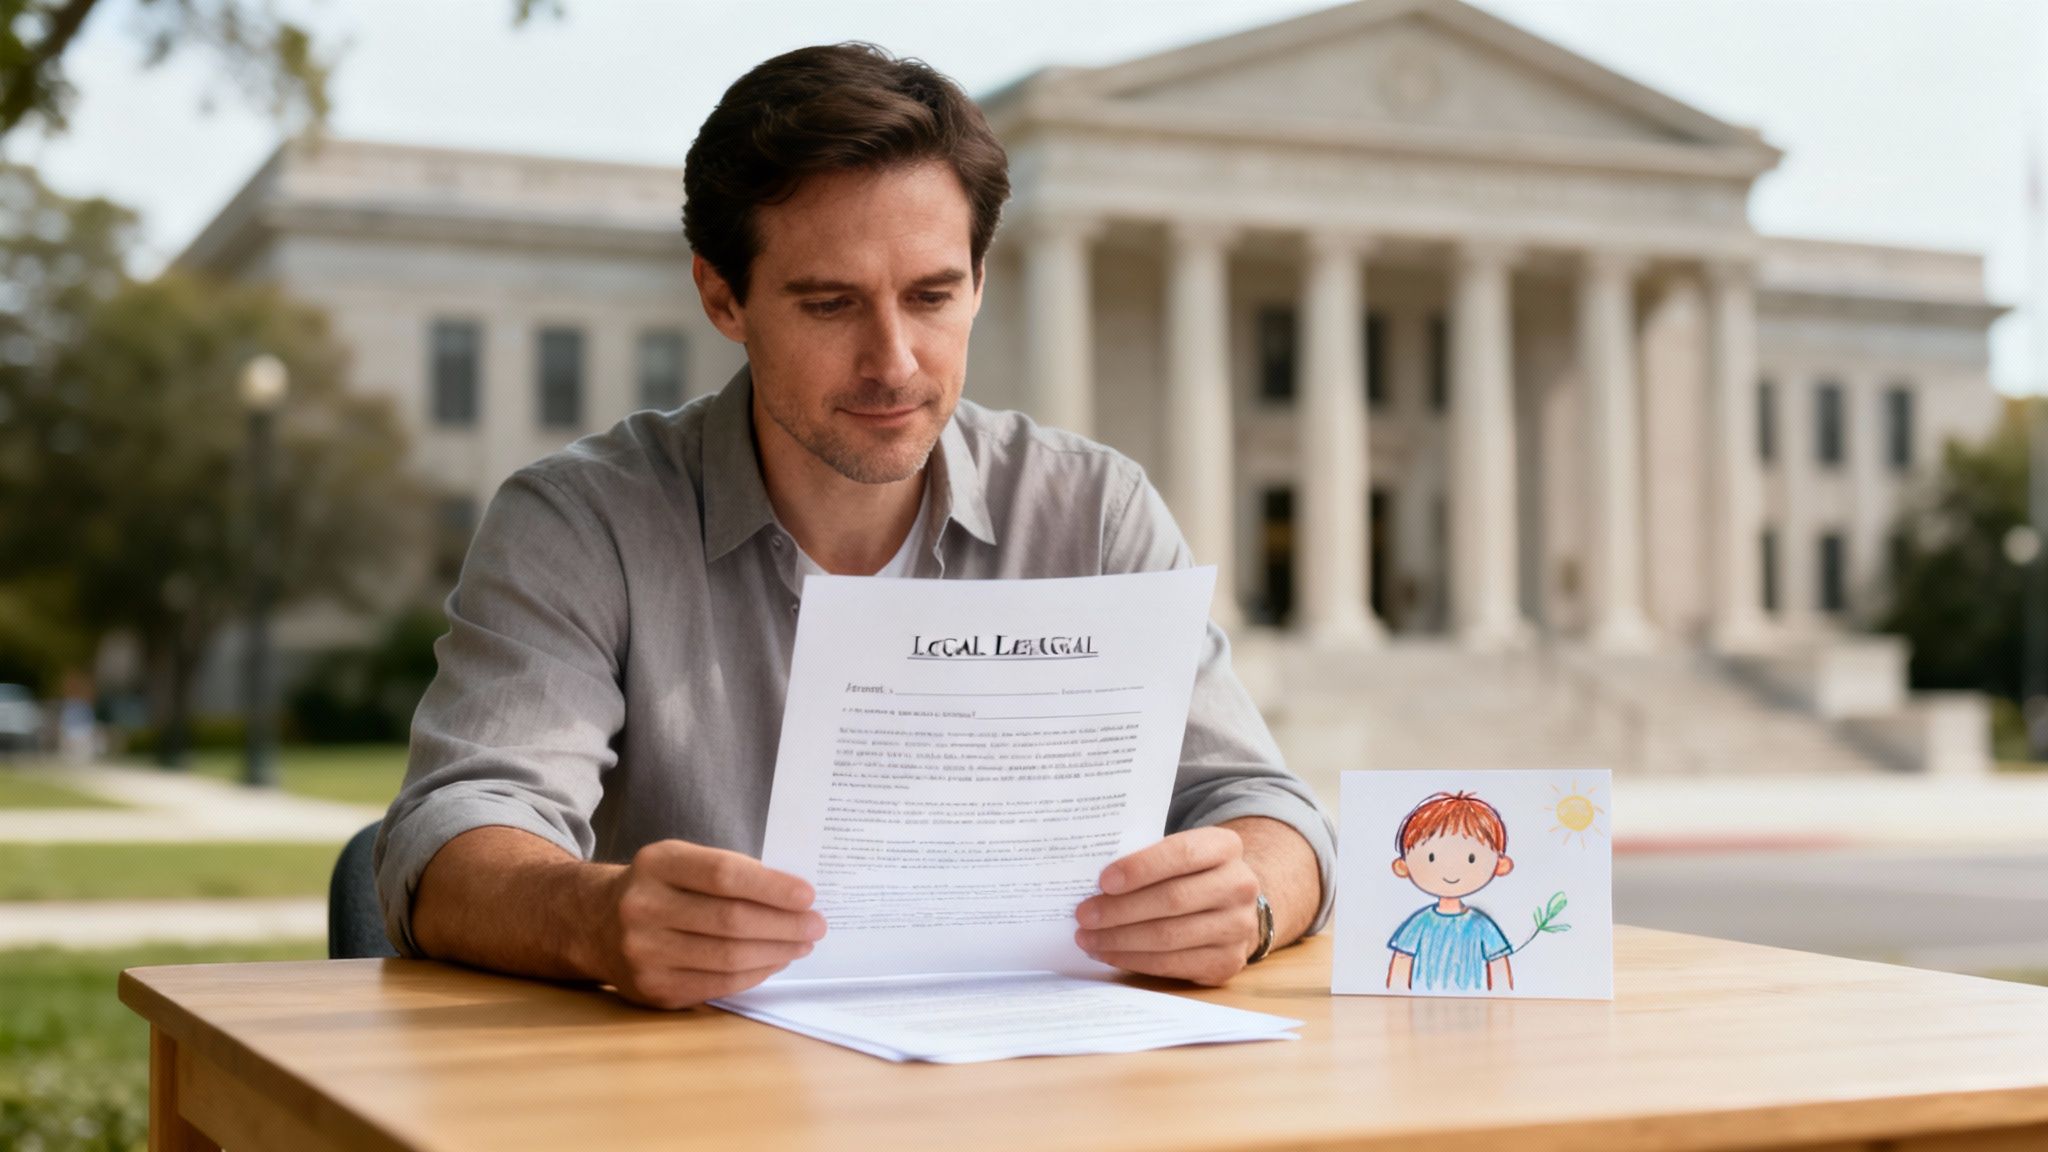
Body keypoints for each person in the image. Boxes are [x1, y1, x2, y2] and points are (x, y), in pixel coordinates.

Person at [374, 42, 1334, 1011]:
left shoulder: (1091, 510)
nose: (894, 362)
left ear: (979, 282)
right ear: (721, 297)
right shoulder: (580, 524)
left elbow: (1272, 811)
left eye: (930, 297)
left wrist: (1243, 899)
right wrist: (591, 917)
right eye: (830, 304)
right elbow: (453, 831)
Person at [1385, 791, 1515, 992]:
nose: (1451, 870)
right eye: (1432, 857)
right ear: (1403, 866)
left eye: (1471, 858)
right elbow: (1401, 965)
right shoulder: (1419, 923)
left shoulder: (1482, 925)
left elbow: (1499, 970)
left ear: (1500, 865)